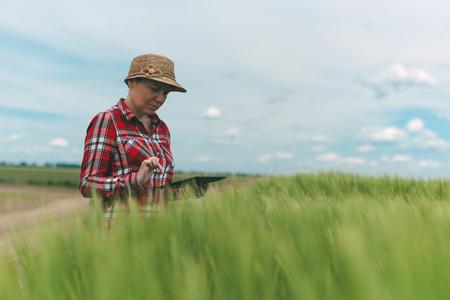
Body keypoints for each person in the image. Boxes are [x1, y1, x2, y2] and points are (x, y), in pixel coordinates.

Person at [79, 53, 204, 220]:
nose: (160, 99)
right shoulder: (108, 121)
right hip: (114, 235)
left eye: (166, 93)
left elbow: (156, 191)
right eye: (154, 89)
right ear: (131, 81)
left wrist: (186, 190)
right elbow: (87, 184)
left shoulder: (162, 129)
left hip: (157, 234)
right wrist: (135, 180)